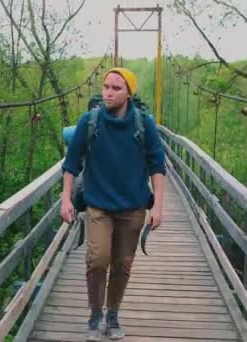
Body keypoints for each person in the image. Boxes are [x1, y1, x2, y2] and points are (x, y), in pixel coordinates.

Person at [61, 67, 167, 341]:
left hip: (133, 208)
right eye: (106, 86)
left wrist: (157, 207)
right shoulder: (90, 121)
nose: (107, 92)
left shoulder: (144, 124)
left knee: (123, 265)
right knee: (97, 260)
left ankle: (113, 314)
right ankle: (95, 314)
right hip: (98, 205)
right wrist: (65, 200)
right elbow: (71, 164)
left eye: (115, 88)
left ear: (129, 93)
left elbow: (158, 166)